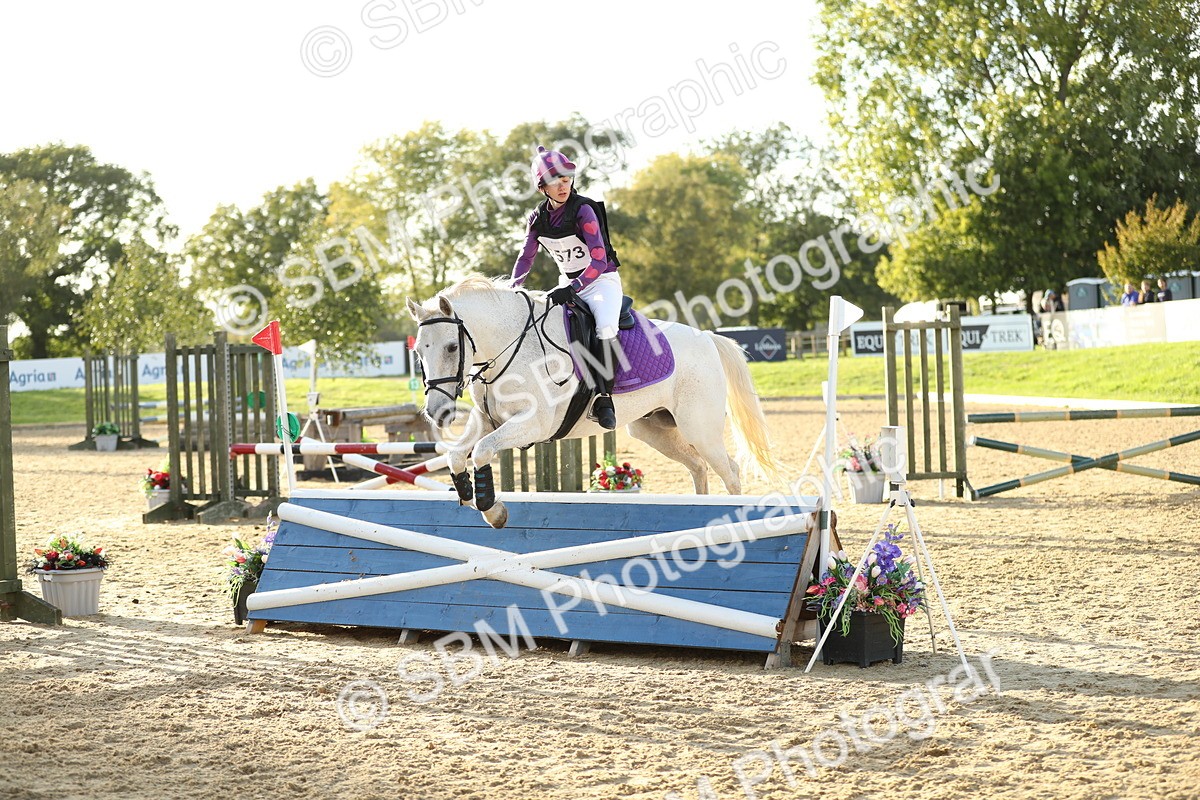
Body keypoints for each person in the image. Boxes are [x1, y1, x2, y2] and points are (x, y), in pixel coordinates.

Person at [511, 146, 623, 430]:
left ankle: (604, 396)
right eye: (554, 180)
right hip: (567, 283)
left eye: (566, 178)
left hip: (600, 282)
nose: (563, 185)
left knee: (606, 326)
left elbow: (598, 259)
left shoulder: (584, 209)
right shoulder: (538, 218)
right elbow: (526, 256)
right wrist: (512, 289)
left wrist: (574, 287)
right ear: (542, 187)